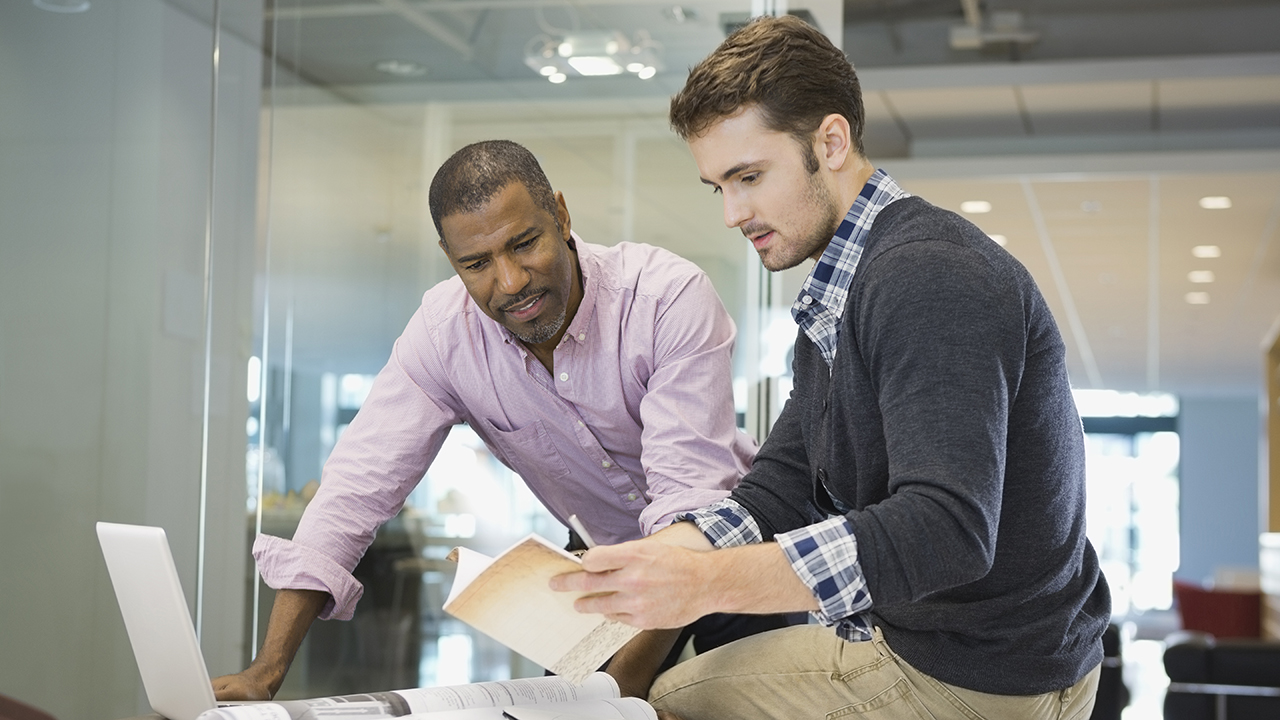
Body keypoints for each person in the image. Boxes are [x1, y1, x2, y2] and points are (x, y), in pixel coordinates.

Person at [551, 16, 1112, 719]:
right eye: (717, 187)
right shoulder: (848, 290)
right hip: (967, 647)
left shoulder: (927, 277)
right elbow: (782, 483)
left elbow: (946, 532)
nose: (732, 212)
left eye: (749, 177)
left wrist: (708, 584)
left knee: (674, 700)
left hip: (977, 676)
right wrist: (663, 558)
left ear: (832, 141)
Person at [213, 140, 793, 700]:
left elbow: (687, 516)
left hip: (730, 544)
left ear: (560, 216)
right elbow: (352, 492)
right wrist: (267, 669)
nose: (511, 282)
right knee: (560, 705)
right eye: (477, 263)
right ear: (451, 260)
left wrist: (619, 690)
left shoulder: (665, 297)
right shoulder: (443, 336)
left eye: (524, 243)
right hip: (599, 556)